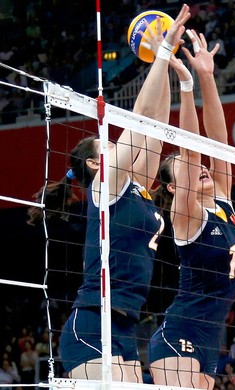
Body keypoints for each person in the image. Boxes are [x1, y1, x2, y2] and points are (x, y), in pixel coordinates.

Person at [26, 5, 191, 382]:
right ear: (97, 165)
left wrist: (163, 62)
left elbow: (156, 126)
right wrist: (160, 53)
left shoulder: (134, 186)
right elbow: (137, 120)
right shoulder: (106, 187)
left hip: (125, 327)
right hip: (91, 326)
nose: (114, 143)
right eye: (107, 144)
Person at [148, 29, 235, 389]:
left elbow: (218, 144)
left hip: (210, 338)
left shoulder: (223, 197)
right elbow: (192, 152)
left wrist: (207, 76)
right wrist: (187, 86)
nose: (202, 167)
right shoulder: (186, 214)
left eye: (202, 165)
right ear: (174, 187)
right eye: (188, 169)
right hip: (181, 332)